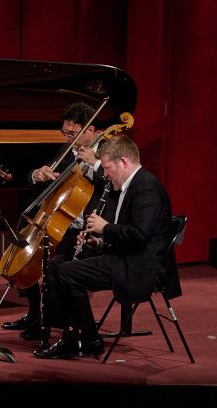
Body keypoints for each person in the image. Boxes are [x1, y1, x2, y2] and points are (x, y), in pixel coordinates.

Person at [33, 134, 172, 358]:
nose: (105, 174)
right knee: (56, 265)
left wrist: (104, 228)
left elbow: (140, 235)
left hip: (137, 267)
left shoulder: (146, 188)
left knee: (67, 272)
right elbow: (127, 234)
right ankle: (74, 334)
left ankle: (86, 338)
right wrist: (97, 242)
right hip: (123, 258)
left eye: (107, 168)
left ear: (123, 162)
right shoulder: (130, 186)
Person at [2, 102, 108, 339]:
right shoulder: (67, 151)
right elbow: (48, 179)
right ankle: (34, 314)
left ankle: (53, 323)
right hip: (61, 220)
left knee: (51, 262)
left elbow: (116, 187)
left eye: (73, 133)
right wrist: (36, 174)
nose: (68, 138)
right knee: (25, 250)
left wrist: (96, 164)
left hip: (89, 228)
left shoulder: (107, 150)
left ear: (90, 130)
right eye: (65, 133)